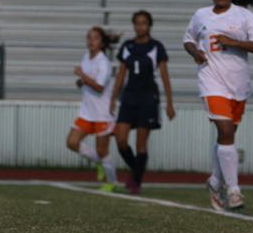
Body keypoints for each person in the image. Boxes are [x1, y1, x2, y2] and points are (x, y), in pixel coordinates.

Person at [183, 0, 253, 211]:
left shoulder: (245, 17)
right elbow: (187, 39)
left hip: (239, 85)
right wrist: (194, 52)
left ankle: (215, 180)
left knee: (227, 137)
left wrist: (235, 42)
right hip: (211, 81)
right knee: (226, 130)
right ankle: (234, 191)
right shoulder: (200, 15)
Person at [108, 10, 175, 194]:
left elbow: (164, 75)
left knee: (141, 145)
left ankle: (135, 182)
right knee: (121, 140)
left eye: (143, 23)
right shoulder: (128, 46)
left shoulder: (156, 47)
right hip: (129, 97)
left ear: (149, 25)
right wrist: (113, 98)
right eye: (137, 23)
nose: (140, 26)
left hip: (148, 98)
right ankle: (136, 172)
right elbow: (121, 75)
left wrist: (169, 102)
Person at [66, 26, 120, 191]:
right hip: (87, 112)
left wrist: (82, 76)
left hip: (102, 114)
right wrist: (81, 82)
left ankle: (112, 183)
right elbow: (88, 81)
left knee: (103, 150)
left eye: (95, 38)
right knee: (72, 142)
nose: (91, 41)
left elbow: (99, 87)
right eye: (89, 37)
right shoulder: (86, 58)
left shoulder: (103, 62)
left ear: (102, 42)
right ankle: (98, 162)